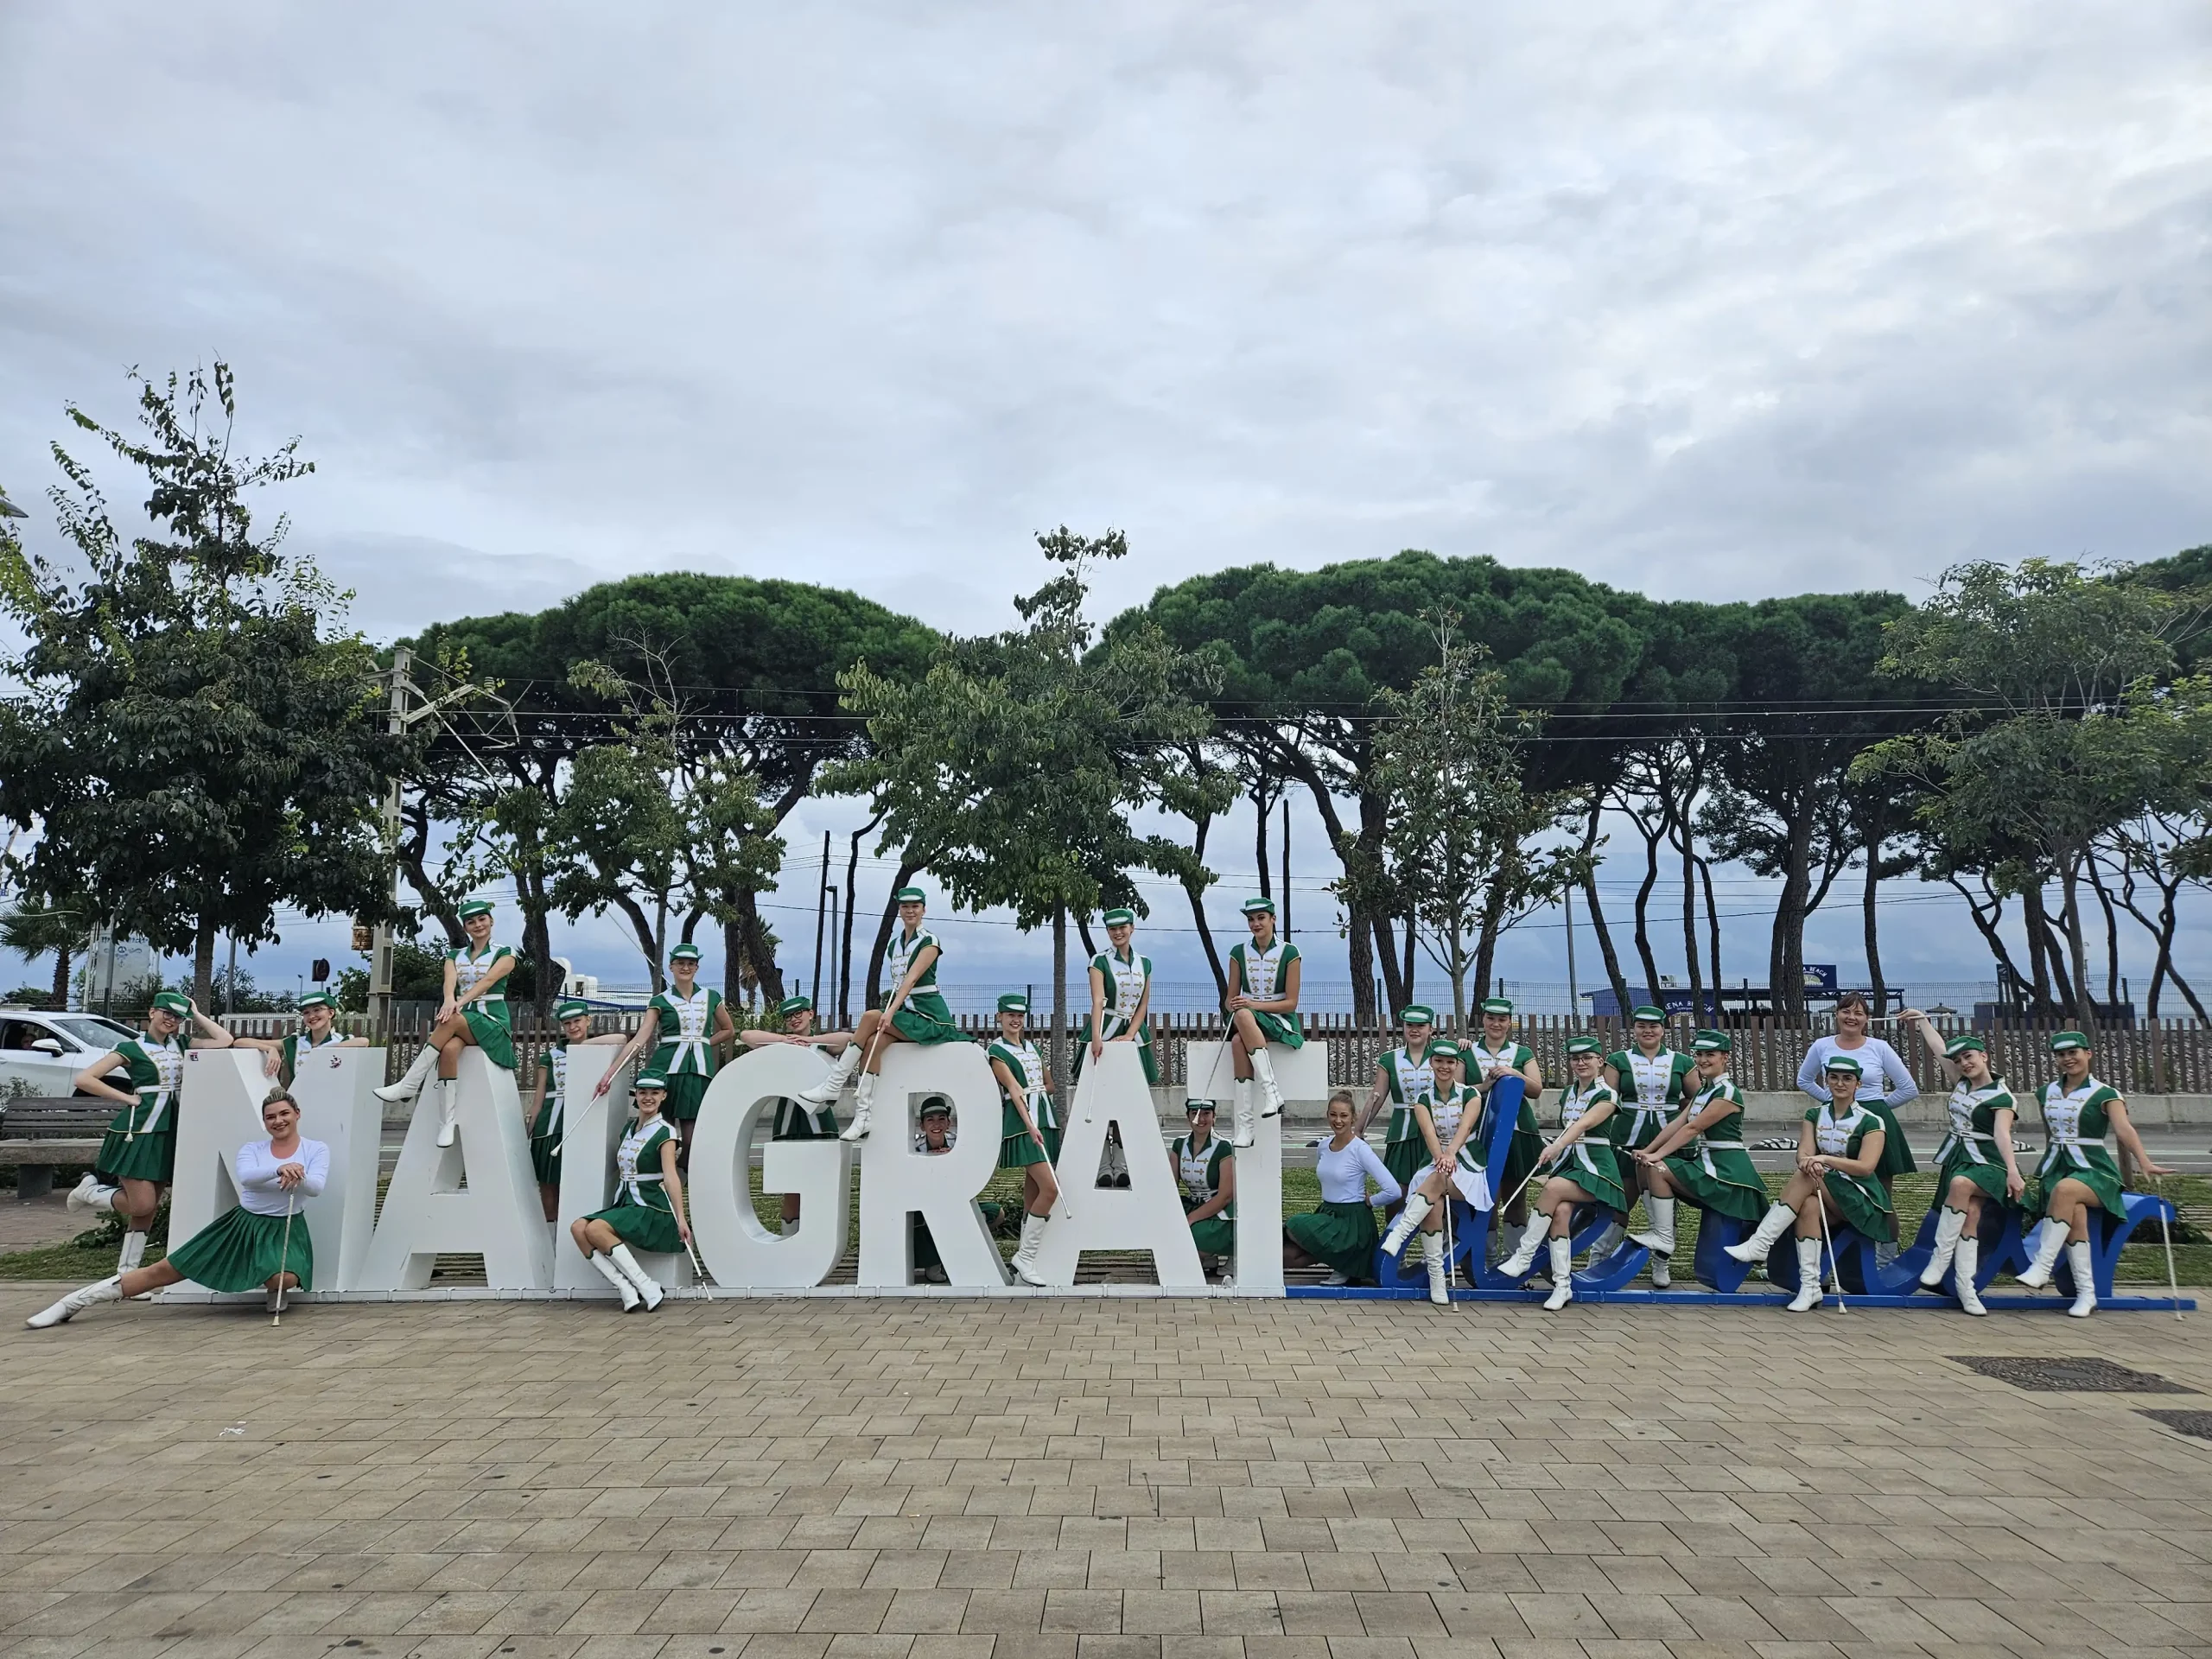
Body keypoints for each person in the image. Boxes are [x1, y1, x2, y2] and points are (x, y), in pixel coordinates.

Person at [32, 1088, 324, 1327]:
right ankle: (72, 1302)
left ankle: (275, 1287)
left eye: (284, 1113)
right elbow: (248, 1179)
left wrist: (299, 1174)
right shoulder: (253, 1150)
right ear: (264, 1122)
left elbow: (316, 1187)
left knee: (284, 1277)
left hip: (286, 1227)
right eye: (271, 1117)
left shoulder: (315, 1149)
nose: (278, 1120)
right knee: (163, 1271)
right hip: (240, 1226)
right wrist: (280, 1169)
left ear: (297, 1114)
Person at [67, 990, 237, 1279]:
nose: (172, 1020)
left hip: (170, 1129)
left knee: (148, 1210)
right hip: (140, 1129)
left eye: (177, 1017)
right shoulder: (131, 1048)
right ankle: (91, 1191)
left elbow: (225, 1040)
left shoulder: (182, 1043)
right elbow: (85, 1079)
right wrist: (127, 1098)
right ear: (152, 1013)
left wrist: (195, 1014)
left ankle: (127, 1275)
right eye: (167, 1013)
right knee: (141, 1203)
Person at [2014, 1031, 2171, 1318]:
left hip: (2095, 1172)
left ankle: (2042, 1266)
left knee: (2066, 1190)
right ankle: (2087, 1294)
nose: (2067, 1059)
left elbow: (2124, 1130)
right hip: (2056, 1169)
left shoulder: (2105, 1094)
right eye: (2061, 1055)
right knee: (2076, 1215)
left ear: (2088, 1054)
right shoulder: (2046, 1092)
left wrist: (2145, 1162)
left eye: (2073, 1052)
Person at [793, 887, 963, 1141]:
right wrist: (894, 1010)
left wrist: (889, 1011)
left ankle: (833, 1085)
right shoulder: (894, 945)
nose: (910, 911)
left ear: (924, 909)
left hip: (929, 1017)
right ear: (899, 910)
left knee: (872, 1016)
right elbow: (897, 984)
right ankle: (863, 1117)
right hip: (907, 1014)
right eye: (905, 906)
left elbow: (910, 980)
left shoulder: (930, 942)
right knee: (873, 1043)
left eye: (915, 906)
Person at [1725, 1055, 1891, 1312]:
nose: (1840, 1083)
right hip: (1824, 1190)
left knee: (1807, 1177)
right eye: (1834, 1077)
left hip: (1861, 1198)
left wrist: (1822, 1160)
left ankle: (1761, 1244)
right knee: (1809, 1206)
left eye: (1848, 1078)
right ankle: (1810, 1286)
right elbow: (1803, 1153)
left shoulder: (1871, 1121)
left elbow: (1865, 1167)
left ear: (1858, 1084)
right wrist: (1809, 1162)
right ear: (1826, 1081)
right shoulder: (1814, 1114)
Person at [1898, 1015, 2025, 1315]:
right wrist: (1922, 1021)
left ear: (1984, 1056)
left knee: (1960, 1185)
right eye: (1959, 1060)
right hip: (1959, 1156)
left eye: (1968, 1057)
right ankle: (1966, 1289)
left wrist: (2013, 1171)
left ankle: (1940, 1259)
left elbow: (2001, 1134)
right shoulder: (1961, 1082)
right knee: (1970, 1214)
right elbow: (1937, 1047)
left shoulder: (2001, 1096)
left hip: (1988, 1162)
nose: (1964, 1063)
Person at [374, 900, 518, 1147]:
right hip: (462, 1020)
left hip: (492, 1020)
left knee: (451, 1019)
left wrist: (457, 1004)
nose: (478, 925)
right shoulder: (454, 955)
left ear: (491, 921)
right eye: (471, 922)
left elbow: (487, 983)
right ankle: (447, 1122)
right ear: (465, 928)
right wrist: (450, 999)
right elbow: (448, 982)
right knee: (449, 1051)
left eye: (482, 919)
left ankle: (409, 1084)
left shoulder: (505, 953)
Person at [1629, 1031, 1767, 1287]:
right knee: (1644, 1167)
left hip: (1729, 1174)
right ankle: (1660, 1234)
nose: (1703, 1060)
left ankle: (1664, 1238)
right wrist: (1648, 1151)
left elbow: (1692, 1130)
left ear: (1725, 1058)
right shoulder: (1705, 1090)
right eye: (1699, 1054)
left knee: (1658, 1167)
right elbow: (1677, 1124)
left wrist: (1658, 1156)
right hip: (1708, 1164)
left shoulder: (1726, 1092)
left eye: (1710, 1055)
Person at [1497, 1036, 1625, 1312]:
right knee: (1562, 1212)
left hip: (1596, 1169)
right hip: (1572, 1165)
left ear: (1600, 1062)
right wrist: (1552, 1147)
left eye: (1587, 1058)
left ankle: (1523, 1256)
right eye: (1576, 1059)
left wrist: (1555, 1147)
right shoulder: (1569, 1093)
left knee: (1553, 1189)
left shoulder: (1607, 1095)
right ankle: (1562, 1285)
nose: (1581, 1063)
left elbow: (1581, 1126)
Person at [596, 943, 736, 1156]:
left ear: (697, 967)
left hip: (698, 1072)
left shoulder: (711, 997)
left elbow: (728, 1030)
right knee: (662, 1133)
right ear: (671, 966)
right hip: (665, 1070)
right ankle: (660, 1182)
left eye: (691, 963)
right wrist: (610, 1074)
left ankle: (681, 1180)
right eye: (680, 963)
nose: (686, 968)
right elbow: (640, 1039)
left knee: (692, 1140)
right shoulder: (660, 1000)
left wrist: (704, 1042)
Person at [569, 1073, 690, 1313]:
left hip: (651, 1205)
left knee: (595, 1228)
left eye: (655, 1093)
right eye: (643, 1092)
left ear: (663, 1096)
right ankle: (625, 1288)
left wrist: (681, 1218)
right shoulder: (628, 1129)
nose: (648, 1098)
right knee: (577, 1228)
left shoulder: (665, 1132)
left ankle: (646, 1285)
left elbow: (671, 1176)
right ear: (635, 1095)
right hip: (625, 1202)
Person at [738, 994, 858, 1235]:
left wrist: (810, 1039)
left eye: (799, 1013)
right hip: (788, 1123)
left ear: (810, 1014)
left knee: (822, 1186)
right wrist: (787, 1040)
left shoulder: (820, 1044)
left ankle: (817, 1243)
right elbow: (746, 1036)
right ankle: (789, 1240)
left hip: (821, 1122)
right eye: (788, 1017)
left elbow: (850, 1039)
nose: (794, 1019)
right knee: (791, 1188)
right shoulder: (780, 1045)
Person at [1377, 1039, 1484, 1306]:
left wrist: (1451, 1155)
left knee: (1435, 1181)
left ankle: (1401, 1233)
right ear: (1431, 1064)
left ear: (1457, 1065)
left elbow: (1465, 1129)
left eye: (1450, 1062)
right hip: (1437, 1163)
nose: (1445, 1067)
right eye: (1439, 1061)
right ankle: (1438, 1278)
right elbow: (1429, 1134)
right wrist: (1441, 1157)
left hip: (1469, 1165)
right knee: (1434, 1204)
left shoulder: (1471, 1095)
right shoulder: (1422, 1099)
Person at [1597, 1005, 1697, 1259]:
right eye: (1642, 1026)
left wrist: (1684, 1112)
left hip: (1671, 1141)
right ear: (1634, 1030)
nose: (1648, 1031)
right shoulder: (1618, 1059)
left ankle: (1660, 1263)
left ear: (1663, 1030)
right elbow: (1607, 1099)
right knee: (1621, 1199)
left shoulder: (1682, 1061)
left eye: (1653, 1026)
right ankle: (1599, 1255)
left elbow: (1698, 1099)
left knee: (1665, 1203)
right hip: (1627, 1138)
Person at [1797, 992, 1919, 1194]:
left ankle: (1882, 1224)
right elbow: (1804, 1080)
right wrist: (1832, 1099)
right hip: (1833, 1117)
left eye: (1858, 1013)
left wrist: (1877, 1106)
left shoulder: (1880, 1047)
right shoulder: (1821, 1046)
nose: (1851, 1017)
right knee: (1827, 1180)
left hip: (1874, 1115)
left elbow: (1908, 1088)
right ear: (1836, 1015)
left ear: (1867, 1019)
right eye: (1846, 1011)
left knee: (1880, 1188)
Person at [1286, 1089, 1403, 1285]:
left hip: (1353, 1222)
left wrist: (1371, 1201)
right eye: (1333, 1115)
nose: (1338, 1121)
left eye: (1343, 1116)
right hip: (1328, 1214)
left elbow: (1393, 1190)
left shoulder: (1360, 1149)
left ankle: (1347, 1264)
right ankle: (1344, 1262)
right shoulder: (1323, 1146)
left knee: (1294, 1224)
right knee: (1288, 1257)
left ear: (1353, 1118)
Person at [525, 1000, 626, 1222]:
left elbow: (621, 1039)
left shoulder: (599, 1048)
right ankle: (551, 1230)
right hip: (550, 1126)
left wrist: (581, 1047)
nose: (573, 1027)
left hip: (581, 1124)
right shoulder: (549, 1057)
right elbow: (538, 1099)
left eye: (578, 1021)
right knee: (548, 1182)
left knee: (574, 1180)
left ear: (588, 1020)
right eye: (567, 1023)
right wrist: (528, 1132)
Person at [988, 993, 1060, 1287]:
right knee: (1051, 1189)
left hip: (1045, 1117)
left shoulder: (1032, 1047)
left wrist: (1037, 1096)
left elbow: (1051, 1085)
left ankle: (1023, 1263)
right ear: (999, 1017)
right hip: (1022, 1123)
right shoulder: (996, 1051)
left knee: (1033, 1196)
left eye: (1020, 1016)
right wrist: (1030, 1125)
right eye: (1009, 1015)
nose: (1015, 1020)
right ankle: (1026, 1258)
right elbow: (1014, 1090)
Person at [1466, 996, 1545, 1249]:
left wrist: (1514, 1072)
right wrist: (1483, 1086)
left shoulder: (1522, 1053)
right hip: (1479, 1133)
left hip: (1517, 1133)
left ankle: (1514, 1259)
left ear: (1510, 1023)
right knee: (1486, 1197)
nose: (1496, 1024)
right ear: (1483, 1020)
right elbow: (1457, 1090)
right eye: (1491, 1018)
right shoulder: (1466, 1051)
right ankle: (1486, 1258)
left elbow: (1536, 1090)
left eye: (1502, 1019)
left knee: (1515, 1198)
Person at [1224, 897, 1302, 1146]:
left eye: (1261, 918)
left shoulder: (1290, 952)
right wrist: (1236, 1005)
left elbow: (1291, 1003)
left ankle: (1270, 1093)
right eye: (1251, 920)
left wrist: (1250, 1005)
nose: (1256, 924)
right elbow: (1229, 999)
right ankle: (1248, 1123)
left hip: (1279, 1018)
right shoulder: (1238, 952)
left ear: (1273, 919)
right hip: (1248, 1018)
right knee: (1238, 1040)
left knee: (1243, 1023)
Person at [910, 1096, 1001, 1281]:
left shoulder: (959, 1144)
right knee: (921, 1220)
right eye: (930, 1120)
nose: (936, 1124)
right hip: (927, 1204)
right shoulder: (913, 1147)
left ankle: (960, 1256)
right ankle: (933, 1261)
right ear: (922, 1125)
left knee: (994, 1213)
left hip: (955, 1201)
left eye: (941, 1119)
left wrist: (951, 1158)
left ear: (949, 1122)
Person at [1354, 1006, 1437, 1206]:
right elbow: (1378, 1096)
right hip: (1401, 1132)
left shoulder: (1442, 1056)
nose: (1415, 1030)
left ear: (1431, 1029)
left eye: (1421, 1025)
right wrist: (1357, 1130)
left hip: (1436, 1130)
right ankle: (1393, 1235)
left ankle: (1436, 1235)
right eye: (1410, 1025)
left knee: (1435, 1187)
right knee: (1397, 1190)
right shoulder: (1389, 1059)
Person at [1080, 907, 1158, 1084]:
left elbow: (1143, 1004)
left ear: (1132, 928)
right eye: (1112, 929)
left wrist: (1130, 1035)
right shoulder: (1099, 961)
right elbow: (1098, 1001)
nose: (1118, 932)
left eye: (1122, 927)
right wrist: (1096, 1038)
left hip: (1135, 1031)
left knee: (1136, 1084)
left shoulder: (1144, 963)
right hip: (1106, 1027)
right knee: (1100, 1082)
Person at [1170, 1099, 1236, 1284]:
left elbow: (1225, 1196)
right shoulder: (1179, 1145)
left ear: (1214, 1117)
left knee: (1188, 1238)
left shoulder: (1223, 1146)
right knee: (1167, 1228)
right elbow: (1171, 1185)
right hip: (1193, 1203)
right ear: (1187, 1117)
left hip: (1219, 1209)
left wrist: (1190, 1219)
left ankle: (1229, 1253)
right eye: (1194, 1113)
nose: (1200, 1118)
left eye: (1206, 1113)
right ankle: (1208, 1258)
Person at [246, 990, 368, 1084]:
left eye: (317, 1010)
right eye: (306, 1012)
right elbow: (241, 1042)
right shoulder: (296, 1042)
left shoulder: (342, 1041)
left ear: (331, 1013)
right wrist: (270, 1049)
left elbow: (364, 1042)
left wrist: (328, 1049)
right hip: (299, 1104)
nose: (312, 1016)